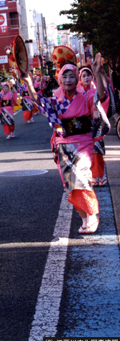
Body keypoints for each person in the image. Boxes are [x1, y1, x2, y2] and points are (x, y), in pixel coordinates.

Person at [21, 53, 110, 234]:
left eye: (72, 76)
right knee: (71, 185)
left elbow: (100, 95)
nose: (68, 79)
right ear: (60, 80)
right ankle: (85, 219)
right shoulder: (56, 101)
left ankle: (92, 216)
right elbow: (38, 101)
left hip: (83, 143)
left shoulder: (85, 96)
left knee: (82, 179)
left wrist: (98, 73)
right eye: (64, 76)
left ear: (77, 79)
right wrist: (29, 83)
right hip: (64, 145)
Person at [78, 66, 109, 187]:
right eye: (83, 76)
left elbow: (102, 95)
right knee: (87, 152)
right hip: (83, 127)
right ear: (80, 78)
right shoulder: (77, 91)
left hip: (96, 125)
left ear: (92, 77)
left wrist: (98, 75)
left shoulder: (95, 90)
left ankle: (101, 175)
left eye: (88, 75)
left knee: (98, 151)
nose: (86, 78)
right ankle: (93, 175)